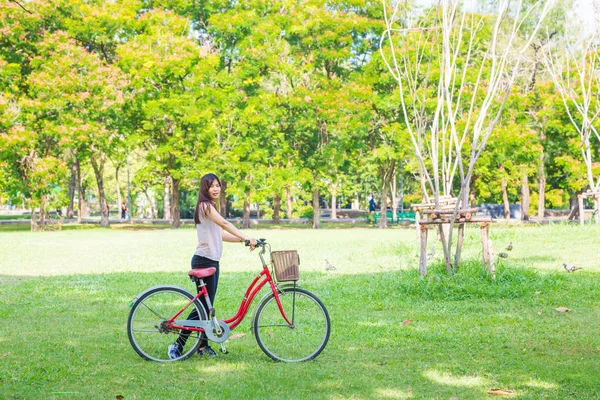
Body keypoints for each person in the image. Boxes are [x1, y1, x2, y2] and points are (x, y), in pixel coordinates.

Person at [168, 173, 257, 359]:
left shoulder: (210, 207)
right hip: (204, 260)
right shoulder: (205, 206)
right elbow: (224, 224)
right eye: (211, 186)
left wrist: (244, 241)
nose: (216, 188)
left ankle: (202, 346)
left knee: (206, 308)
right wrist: (246, 236)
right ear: (204, 189)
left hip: (211, 261)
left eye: (218, 185)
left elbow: (221, 235)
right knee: (202, 307)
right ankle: (178, 344)